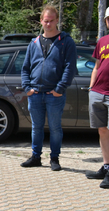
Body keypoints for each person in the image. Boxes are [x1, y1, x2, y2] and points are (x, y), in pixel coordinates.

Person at [20, 5, 77, 171]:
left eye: (52, 20)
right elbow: (25, 68)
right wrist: (27, 87)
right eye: (46, 20)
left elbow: (69, 68)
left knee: (55, 128)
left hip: (55, 95)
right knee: (36, 128)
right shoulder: (34, 43)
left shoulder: (66, 42)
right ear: (41, 21)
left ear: (57, 20)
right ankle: (35, 157)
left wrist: (60, 88)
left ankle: (54, 158)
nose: (49, 24)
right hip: (35, 93)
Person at [86, 6, 109, 189]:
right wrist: (91, 88)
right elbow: (96, 66)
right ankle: (107, 165)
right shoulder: (102, 41)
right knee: (102, 131)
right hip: (98, 92)